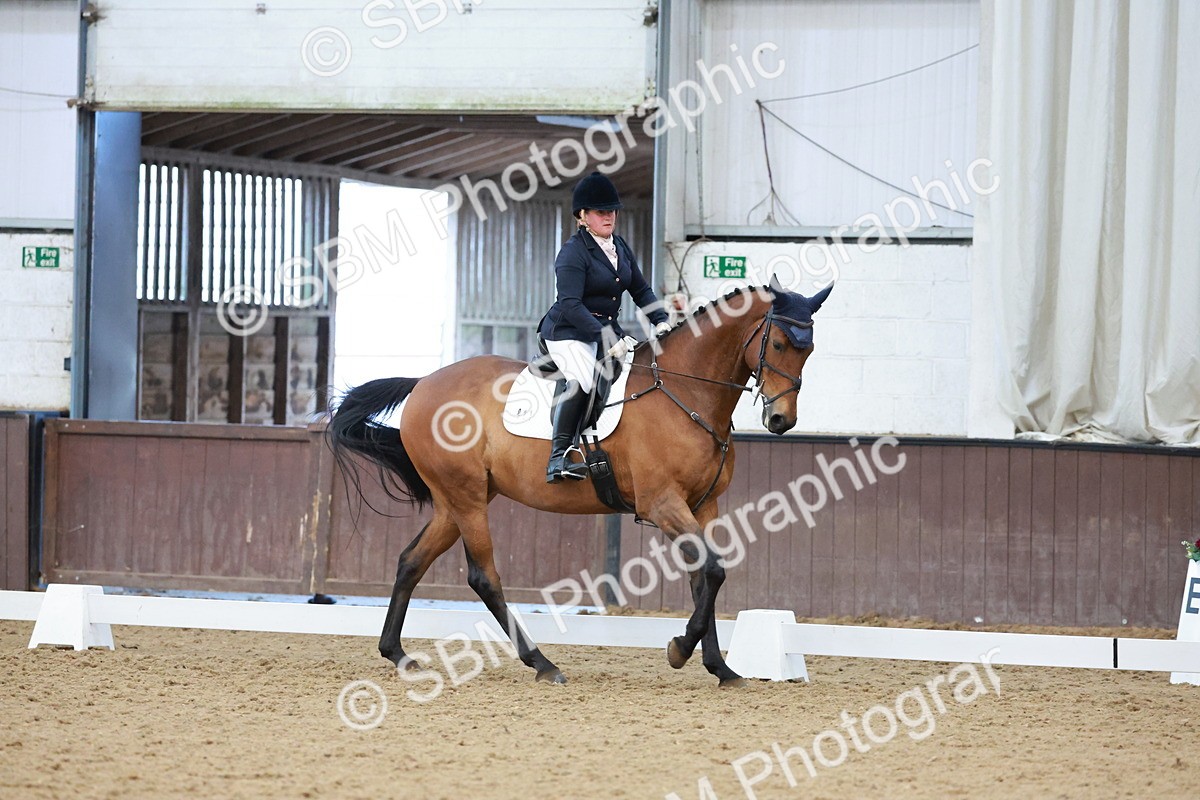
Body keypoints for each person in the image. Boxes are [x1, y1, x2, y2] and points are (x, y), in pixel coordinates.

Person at [537, 171, 672, 483]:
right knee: (583, 379)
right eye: (601, 212)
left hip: (605, 331)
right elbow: (570, 304)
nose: (609, 216)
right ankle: (558, 457)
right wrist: (606, 335)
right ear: (582, 216)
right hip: (567, 332)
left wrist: (661, 320)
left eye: (612, 211)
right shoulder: (572, 252)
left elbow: (640, 289)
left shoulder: (619, 246)